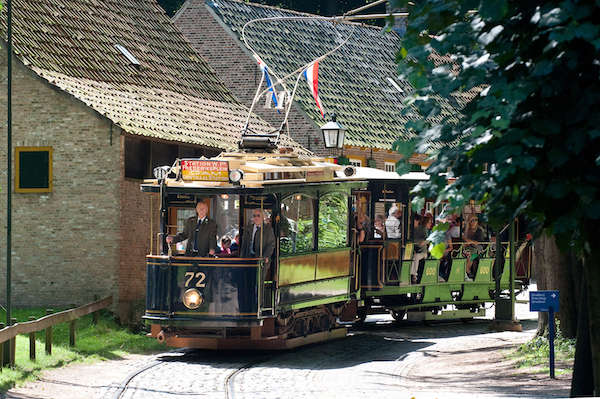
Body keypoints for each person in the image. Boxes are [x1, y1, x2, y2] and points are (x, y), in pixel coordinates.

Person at [241, 209, 276, 276]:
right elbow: (244, 244)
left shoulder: (268, 229)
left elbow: (271, 244)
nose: (256, 218)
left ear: (263, 217)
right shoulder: (248, 228)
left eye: (258, 216)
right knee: (248, 279)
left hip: (261, 259)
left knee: (259, 281)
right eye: (254, 216)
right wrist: (242, 258)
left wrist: (265, 256)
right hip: (249, 258)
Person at [463, 215, 486, 280]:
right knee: (461, 254)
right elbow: (464, 238)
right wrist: (467, 227)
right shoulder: (467, 229)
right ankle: (466, 272)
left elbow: (478, 242)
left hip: (479, 249)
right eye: (471, 220)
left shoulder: (479, 230)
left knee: (470, 255)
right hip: (469, 248)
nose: (473, 222)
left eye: (475, 220)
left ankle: (468, 272)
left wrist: (469, 241)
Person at [411, 215, 428, 284]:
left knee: (416, 256)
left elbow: (428, 239)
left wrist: (423, 242)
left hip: (422, 252)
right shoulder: (410, 229)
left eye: (414, 221)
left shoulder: (422, 229)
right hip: (413, 250)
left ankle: (414, 275)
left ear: (417, 221)